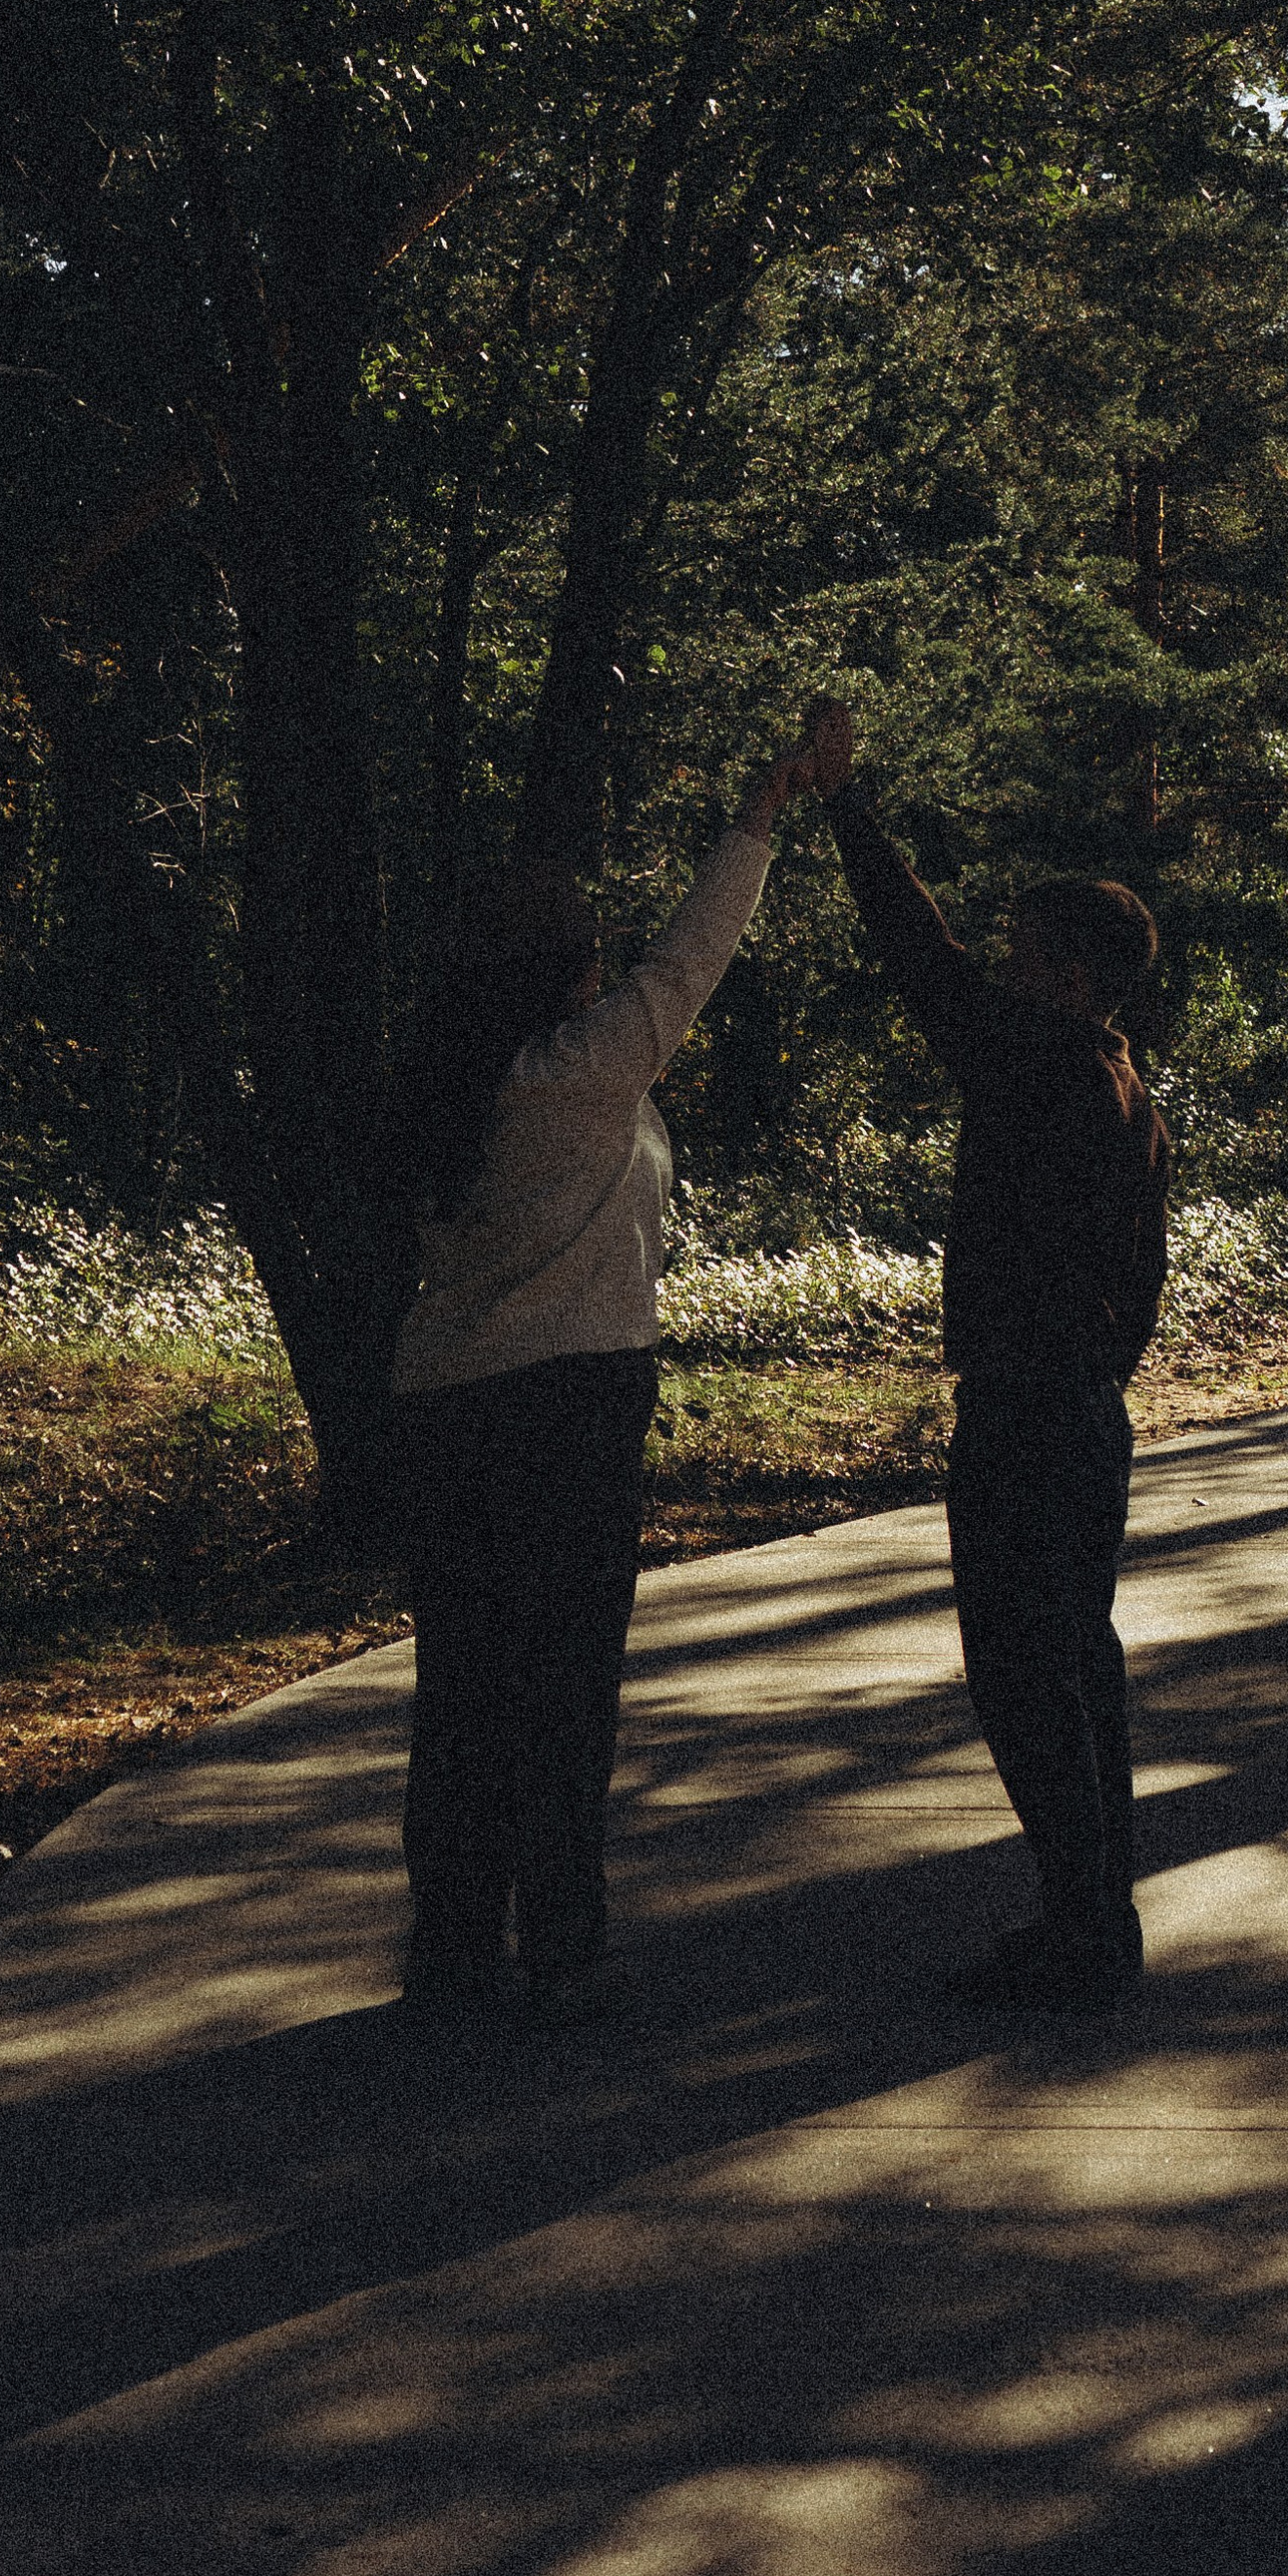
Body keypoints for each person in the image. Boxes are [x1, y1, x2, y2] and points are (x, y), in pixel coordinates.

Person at [387, 726, 828, 2026]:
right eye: (588, 953)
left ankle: (456, 1945)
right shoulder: (579, 1073)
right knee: (564, 1684)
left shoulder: (453, 1081)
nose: (606, 966)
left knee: (463, 1685)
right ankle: (562, 1944)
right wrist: (758, 813)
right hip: (564, 1410)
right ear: (560, 976)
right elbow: (694, 954)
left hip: (449, 1407)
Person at [806, 702, 1171, 2009]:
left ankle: (1083, 1938)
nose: (1001, 968)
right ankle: (1096, 1920)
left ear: (1069, 976)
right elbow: (1142, 1278)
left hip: (1030, 1416)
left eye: (1022, 952)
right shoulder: (1122, 1084)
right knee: (1077, 1666)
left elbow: (923, 960)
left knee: (1025, 1674)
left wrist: (843, 805)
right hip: (1086, 1414)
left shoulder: (1043, 1066)